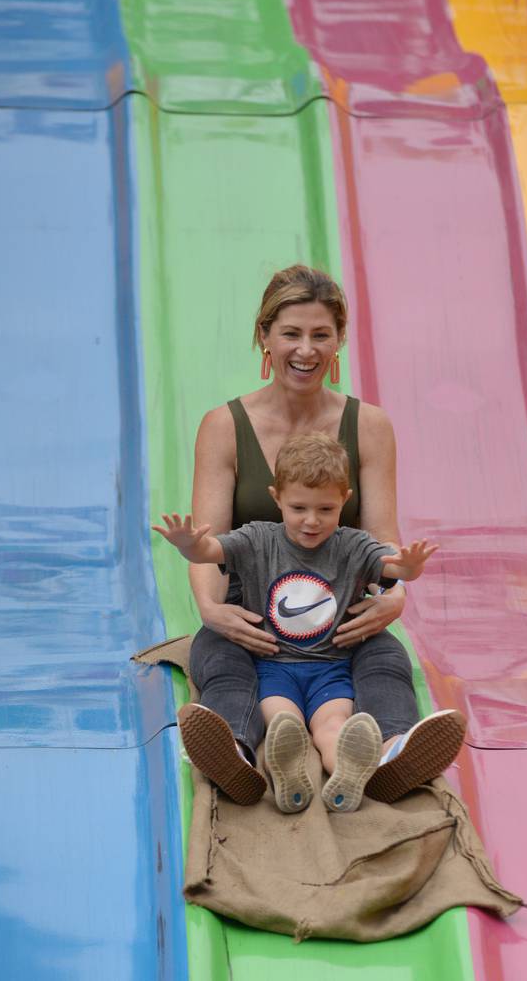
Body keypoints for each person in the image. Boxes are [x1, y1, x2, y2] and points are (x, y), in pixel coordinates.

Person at [179, 264, 465, 806]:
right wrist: (213, 613)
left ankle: (389, 752)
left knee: (384, 658)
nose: (305, 350)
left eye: (320, 334)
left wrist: (395, 596)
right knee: (217, 656)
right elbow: (209, 543)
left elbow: (383, 540)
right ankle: (234, 751)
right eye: (290, 333)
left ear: (338, 342)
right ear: (264, 336)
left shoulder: (369, 426)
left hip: (338, 609)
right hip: (255, 608)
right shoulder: (224, 426)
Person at [154, 433, 443, 813]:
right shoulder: (258, 538)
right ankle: (281, 776)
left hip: (331, 668)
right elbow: (211, 551)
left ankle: (348, 778)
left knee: (333, 728)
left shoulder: (352, 545)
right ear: (277, 498)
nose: (311, 521)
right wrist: (188, 544)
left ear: (345, 499)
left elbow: (391, 567)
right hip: (275, 667)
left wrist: (410, 566)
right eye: (298, 507)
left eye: (326, 509)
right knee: (283, 725)